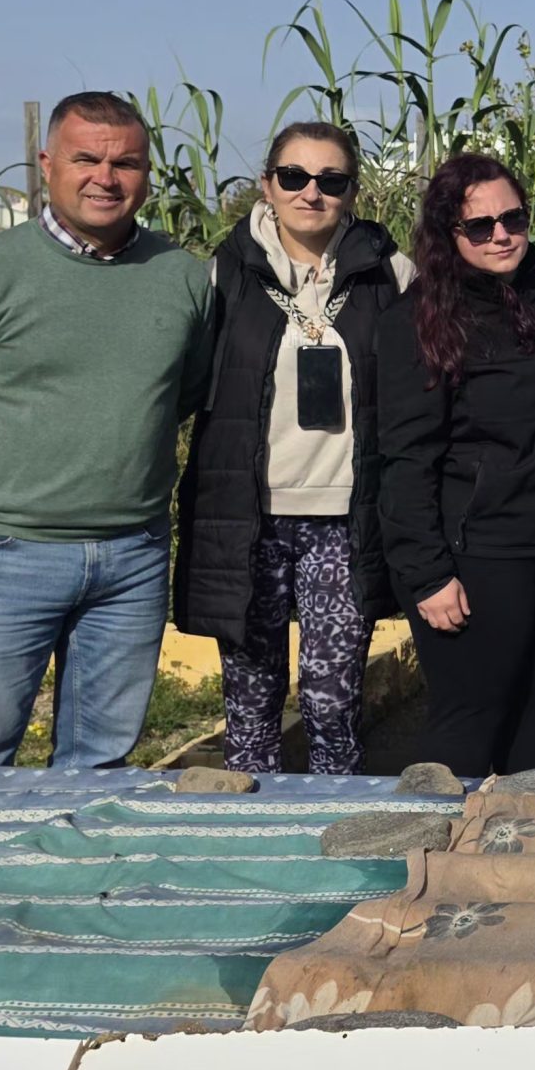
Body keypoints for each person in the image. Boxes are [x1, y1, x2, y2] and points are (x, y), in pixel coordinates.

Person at [0, 91, 213, 770]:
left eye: (126, 162)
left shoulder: (179, 277)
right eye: (86, 158)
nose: (106, 177)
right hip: (7, 552)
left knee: (98, 763)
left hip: (132, 556)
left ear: (148, 173)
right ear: (47, 164)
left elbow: (185, 391)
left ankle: (70, 877)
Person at [174, 123, 409, 775]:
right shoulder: (219, 276)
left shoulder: (387, 273)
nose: (312, 193)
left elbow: (461, 315)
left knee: (333, 701)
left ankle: (336, 837)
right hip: (248, 521)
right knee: (252, 705)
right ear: (267, 185)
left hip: (343, 521)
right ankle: (254, 845)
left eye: (331, 181)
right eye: (295, 177)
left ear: (351, 191)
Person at [376, 152, 535, 776]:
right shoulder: (420, 320)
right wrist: (425, 573)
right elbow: (403, 458)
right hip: (478, 554)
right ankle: (438, 854)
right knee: (472, 713)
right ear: (448, 234)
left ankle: (517, 854)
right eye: (480, 226)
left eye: (514, 218)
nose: (501, 234)